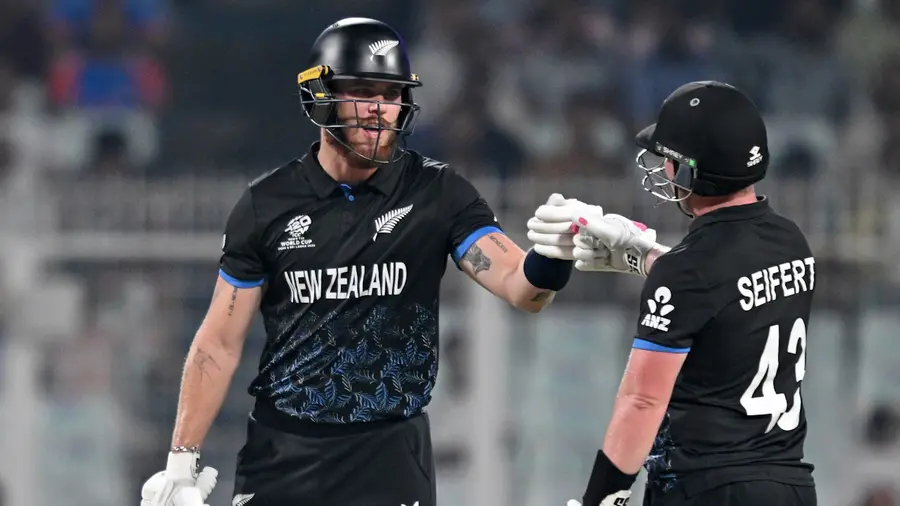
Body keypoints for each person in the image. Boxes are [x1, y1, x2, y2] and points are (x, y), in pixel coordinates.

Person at [140, 17, 581, 506]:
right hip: (283, 457)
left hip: (390, 459)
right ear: (321, 96)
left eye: (391, 94)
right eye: (363, 92)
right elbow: (219, 343)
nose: (378, 109)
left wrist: (552, 256)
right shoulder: (266, 204)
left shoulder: (437, 193)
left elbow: (522, 289)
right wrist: (181, 462)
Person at [560, 81, 818, 506]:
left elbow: (643, 401)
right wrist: (647, 257)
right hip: (790, 487)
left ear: (692, 172)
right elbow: (725, 286)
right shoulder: (791, 241)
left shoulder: (686, 273)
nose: (664, 168)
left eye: (669, 159)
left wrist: (600, 500)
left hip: (707, 489)